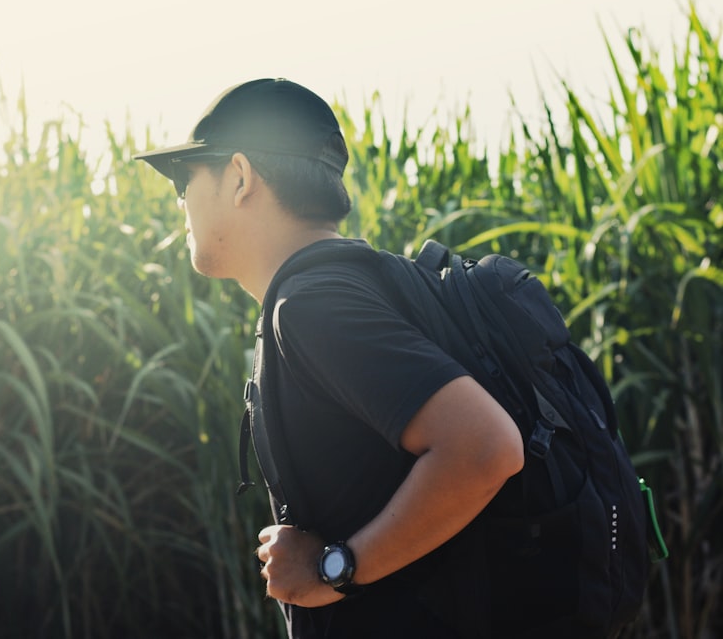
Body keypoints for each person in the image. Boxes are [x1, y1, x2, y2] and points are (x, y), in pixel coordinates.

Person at [134, 79, 525, 638]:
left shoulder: (312, 306)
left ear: (240, 178)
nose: (179, 199)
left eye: (183, 177)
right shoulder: (368, 283)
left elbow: (485, 446)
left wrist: (332, 569)